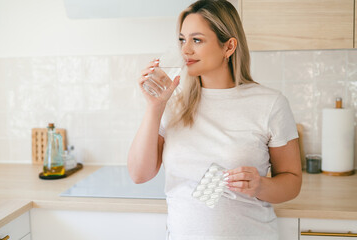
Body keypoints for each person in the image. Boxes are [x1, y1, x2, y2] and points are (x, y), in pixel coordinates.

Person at [128, 0, 302, 239]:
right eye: (182, 39)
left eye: (196, 40)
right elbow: (139, 174)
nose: (185, 50)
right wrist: (154, 107)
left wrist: (261, 185)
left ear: (228, 47)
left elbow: (292, 182)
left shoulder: (270, 103)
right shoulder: (171, 101)